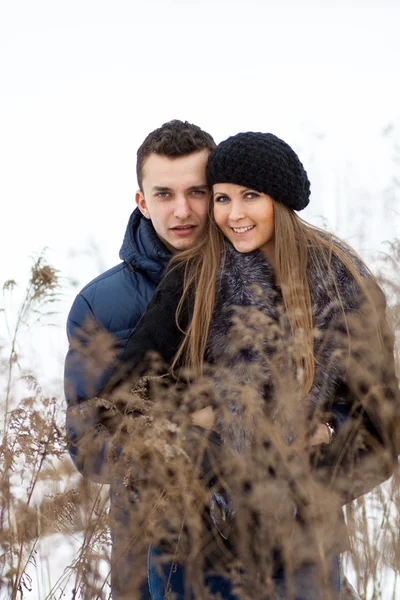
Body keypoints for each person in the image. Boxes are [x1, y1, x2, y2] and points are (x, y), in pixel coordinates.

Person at [104, 132, 399, 599]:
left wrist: (320, 439)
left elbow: (381, 426)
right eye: (222, 198)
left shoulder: (343, 283)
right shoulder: (193, 277)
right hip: (195, 549)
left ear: (280, 201)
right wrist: (202, 424)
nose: (234, 214)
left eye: (250, 196)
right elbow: (123, 401)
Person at [64, 119, 216, 598]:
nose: (183, 210)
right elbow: (88, 444)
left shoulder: (263, 279)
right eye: (165, 194)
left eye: (197, 191)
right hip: (149, 549)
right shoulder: (99, 304)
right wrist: (178, 444)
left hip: (263, 545)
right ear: (141, 201)